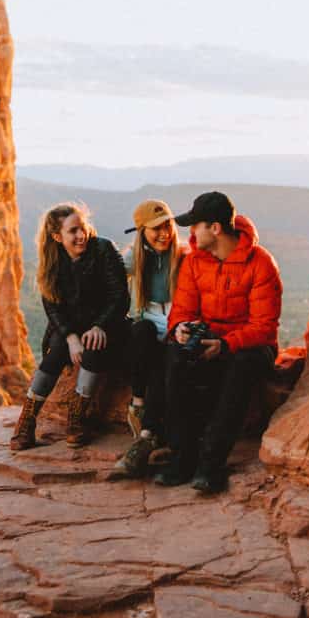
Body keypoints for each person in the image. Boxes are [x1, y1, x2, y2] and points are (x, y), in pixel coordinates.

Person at [154, 191, 282, 494]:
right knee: (174, 356)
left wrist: (226, 345)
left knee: (240, 367)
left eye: (195, 225)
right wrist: (181, 329)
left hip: (251, 345)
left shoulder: (260, 263)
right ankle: (183, 458)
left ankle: (211, 464)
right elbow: (181, 311)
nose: (190, 232)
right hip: (210, 337)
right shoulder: (195, 261)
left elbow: (264, 327)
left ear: (215, 228)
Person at [9, 202, 128, 450]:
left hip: (106, 324)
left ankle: (77, 417)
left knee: (94, 348)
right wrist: (70, 337)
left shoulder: (104, 249)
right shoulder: (53, 261)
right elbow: (52, 306)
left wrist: (99, 326)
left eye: (82, 228)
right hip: (69, 327)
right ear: (57, 236)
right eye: (72, 231)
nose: (80, 235)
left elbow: (120, 296)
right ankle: (27, 421)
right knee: (55, 353)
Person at [112, 198, 187, 477]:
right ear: (142, 230)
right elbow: (107, 281)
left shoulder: (181, 256)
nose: (164, 233)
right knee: (140, 332)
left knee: (163, 360)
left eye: (167, 226)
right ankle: (139, 403)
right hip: (147, 321)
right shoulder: (133, 258)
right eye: (156, 228)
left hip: (174, 324)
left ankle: (147, 432)